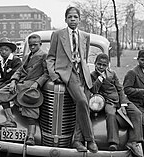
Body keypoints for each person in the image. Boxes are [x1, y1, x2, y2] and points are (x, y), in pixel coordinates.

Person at [46, 6, 98, 153]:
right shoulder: (57, 34)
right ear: (66, 19)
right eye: (70, 17)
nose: (73, 20)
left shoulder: (85, 36)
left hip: (83, 74)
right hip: (68, 74)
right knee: (81, 101)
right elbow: (50, 57)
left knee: (83, 106)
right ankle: (90, 139)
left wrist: (86, 72)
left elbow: (84, 57)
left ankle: (76, 140)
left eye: (75, 17)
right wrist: (54, 75)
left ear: (79, 19)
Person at [0, 34, 49, 145]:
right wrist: (13, 80)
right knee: (1, 93)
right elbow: (19, 70)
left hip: (32, 86)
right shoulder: (27, 56)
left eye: (35, 45)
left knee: (30, 107)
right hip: (21, 84)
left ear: (40, 45)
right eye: (31, 45)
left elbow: (47, 73)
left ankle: (31, 136)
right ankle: (10, 120)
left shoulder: (44, 56)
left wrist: (37, 84)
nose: (32, 47)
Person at [90, 53, 143, 157]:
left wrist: (123, 104)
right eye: (99, 64)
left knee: (137, 113)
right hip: (108, 101)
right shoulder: (93, 75)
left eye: (104, 65)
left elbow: (120, 88)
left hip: (119, 100)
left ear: (107, 65)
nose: (101, 67)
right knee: (110, 114)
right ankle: (113, 142)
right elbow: (94, 90)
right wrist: (100, 79)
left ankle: (133, 141)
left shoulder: (112, 73)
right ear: (95, 64)